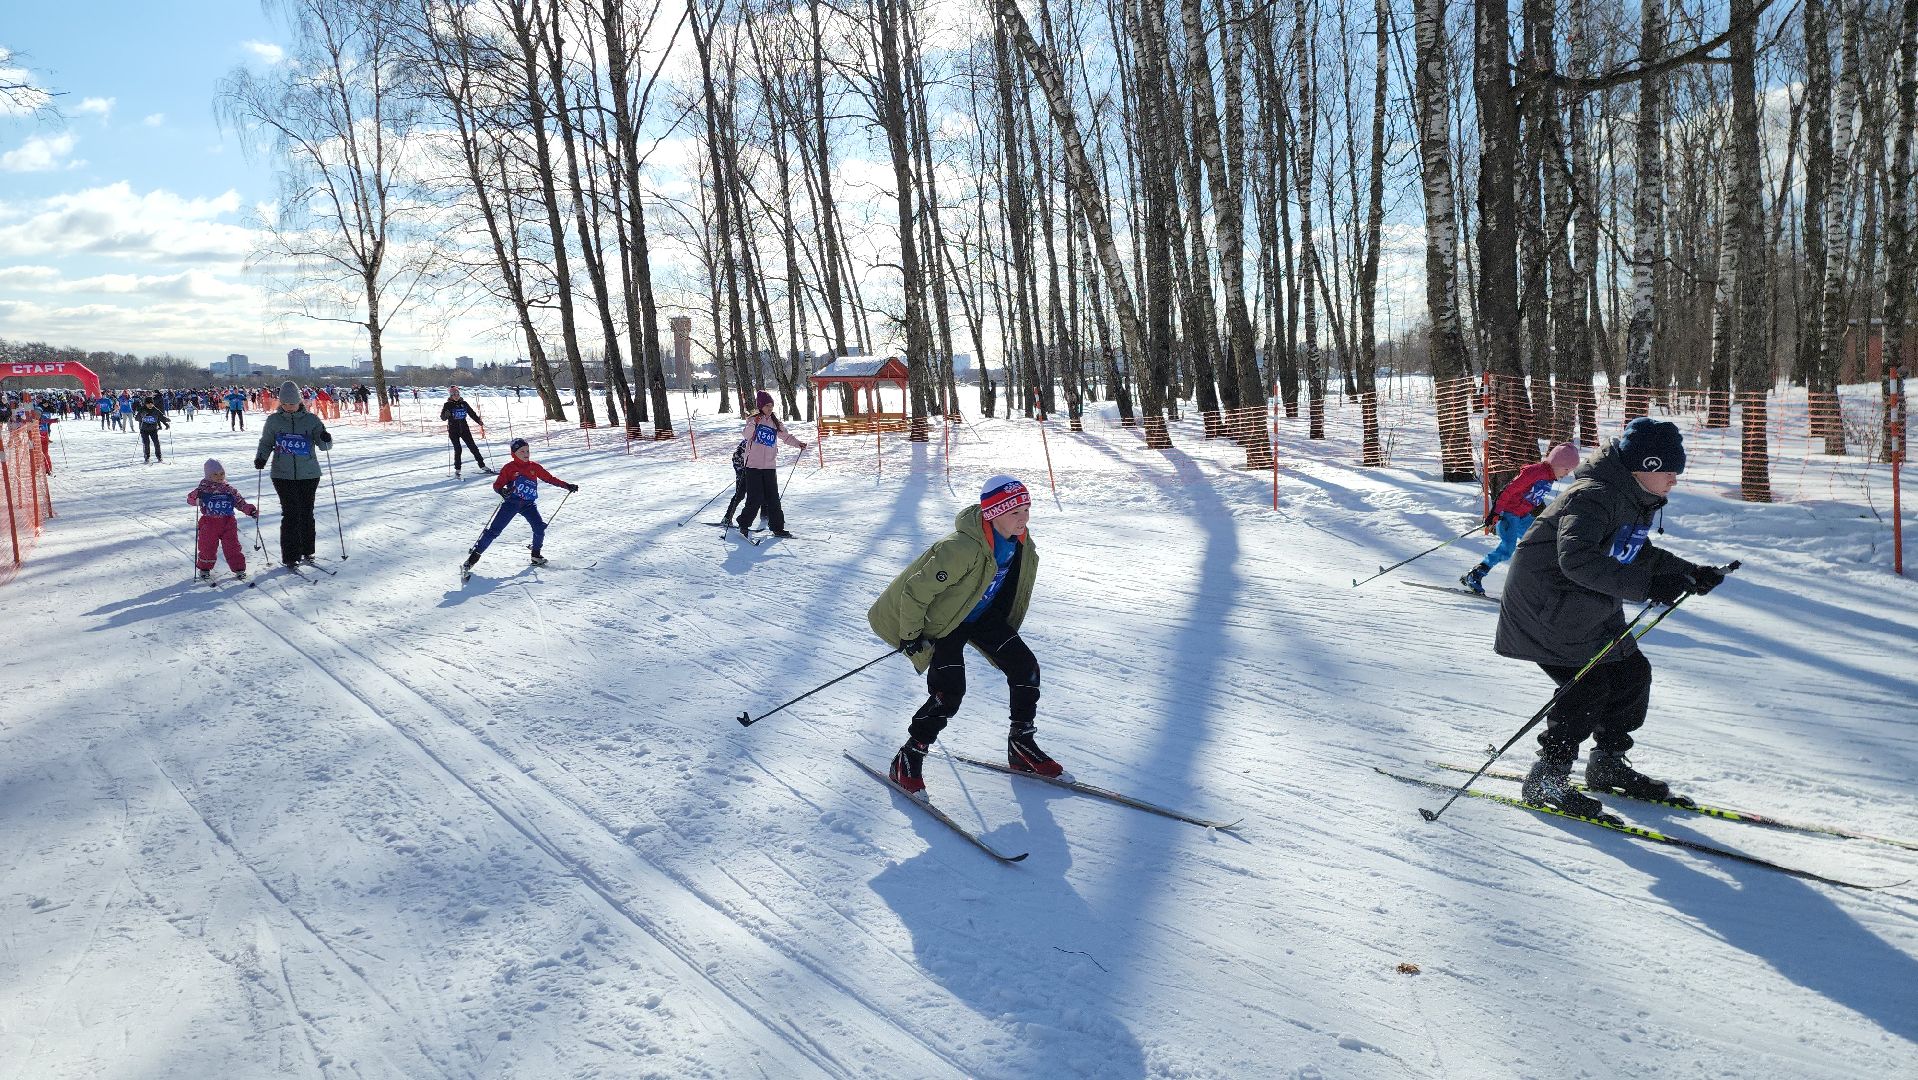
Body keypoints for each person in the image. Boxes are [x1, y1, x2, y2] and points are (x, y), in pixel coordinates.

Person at [1495, 417, 1728, 818]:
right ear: (1644, 467)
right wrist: (1648, 586)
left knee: (1631, 674)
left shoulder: (1629, 496)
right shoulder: (1593, 497)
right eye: (1669, 471)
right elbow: (1577, 561)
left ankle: (1607, 763)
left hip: (1586, 608)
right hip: (1547, 609)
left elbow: (1634, 551)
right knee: (1588, 687)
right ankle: (1547, 776)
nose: (1674, 480)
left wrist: (1689, 571)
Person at [869, 475, 1060, 798]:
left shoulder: (1021, 542)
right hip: (947, 622)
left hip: (981, 616)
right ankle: (908, 756)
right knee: (949, 692)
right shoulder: (961, 548)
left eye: (1027, 509)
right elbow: (915, 591)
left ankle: (1021, 743)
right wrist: (911, 635)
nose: (1024, 518)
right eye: (1015, 512)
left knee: (1025, 668)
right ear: (993, 514)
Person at [1460, 442, 1581, 595]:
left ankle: (1538, 582)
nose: (1567, 474)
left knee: (1541, 540)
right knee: (1507, 548)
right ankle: (1476, 574)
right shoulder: (1534, 472)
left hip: (1523, 517)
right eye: (1566, 469)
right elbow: (1509, 490)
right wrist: (1495, 512)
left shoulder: (1548, 477)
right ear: (1558, 463)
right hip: (1508, 515)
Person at [461, 437, 577, 580]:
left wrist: (567, 486)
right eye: (522, 451)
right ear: (514, 453)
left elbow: (550, 478)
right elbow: (497, 485)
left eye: (527, 451)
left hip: (528, 505)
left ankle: (536, 555)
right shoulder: (509, 468)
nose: (526, 454)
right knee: (494, 531)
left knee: (539, 528)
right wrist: (502, 491)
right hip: (512, 503)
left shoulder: (534, 467)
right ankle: (471, 560)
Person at [254, 380, 334, 567]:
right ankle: (291, 555)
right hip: (282, 474)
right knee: (290, 512)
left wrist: (326, 438)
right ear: (280, 403)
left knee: (306, 511)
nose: (289, 407)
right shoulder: (274, 421)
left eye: (292, 403)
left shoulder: (311, 420)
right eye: (285, 403)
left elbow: (324, 446)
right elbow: (266, 442)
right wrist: (261, 458)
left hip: (309, 474)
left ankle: (307, 550)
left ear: (299, 401)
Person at [733, 390, 807, 537]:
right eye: (767, 405)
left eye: (771, 405)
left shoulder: (775, 422)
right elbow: (746, 435)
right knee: (755, 498)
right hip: (753, 466)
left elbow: (786, 437)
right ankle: (744, 524)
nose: (770, 408)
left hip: (769, 466)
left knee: (773, 498)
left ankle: (777, 527)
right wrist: (754, 423)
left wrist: (798, 443)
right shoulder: (753, 420)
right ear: (760, 406)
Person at [188, 458, 259, 580]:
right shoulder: (202, 490)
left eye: (222, 473)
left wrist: (250, 510)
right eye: (215, 474)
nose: (219, 477)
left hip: (228, 522)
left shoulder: (229, 490)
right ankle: (204, 568)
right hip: (209, 524)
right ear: (208, 476)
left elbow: (240, 502)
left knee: (233, 546)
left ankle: (239, 569)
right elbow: (190, 500)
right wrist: (195, 498)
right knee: (207, 547)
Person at [441, 386, 493, 476]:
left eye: (457, 394)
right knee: (458, 449)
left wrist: (478, 421)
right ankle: (457, 469)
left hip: (464, 429)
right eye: (454, 394)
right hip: (453, 431)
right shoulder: (447, 405)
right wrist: (446, 414)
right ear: (451, 395)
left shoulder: (464, 403)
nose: (456, 396)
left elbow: (472, 413)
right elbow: (443, 418)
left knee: (473, 447)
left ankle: (482, 465)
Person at [135, 395, 170, 463]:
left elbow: (161, 416)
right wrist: (141, 415)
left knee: (156, 443)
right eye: (148, 404)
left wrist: (166, 419)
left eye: (151, 403)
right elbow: (136, 418)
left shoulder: (155, 410)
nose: (150, 405)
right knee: (146, 443)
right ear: (146, 404)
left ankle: (159, 456)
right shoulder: (142, 409)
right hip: (144, 430)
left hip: (153, 430)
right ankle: (147, 457)